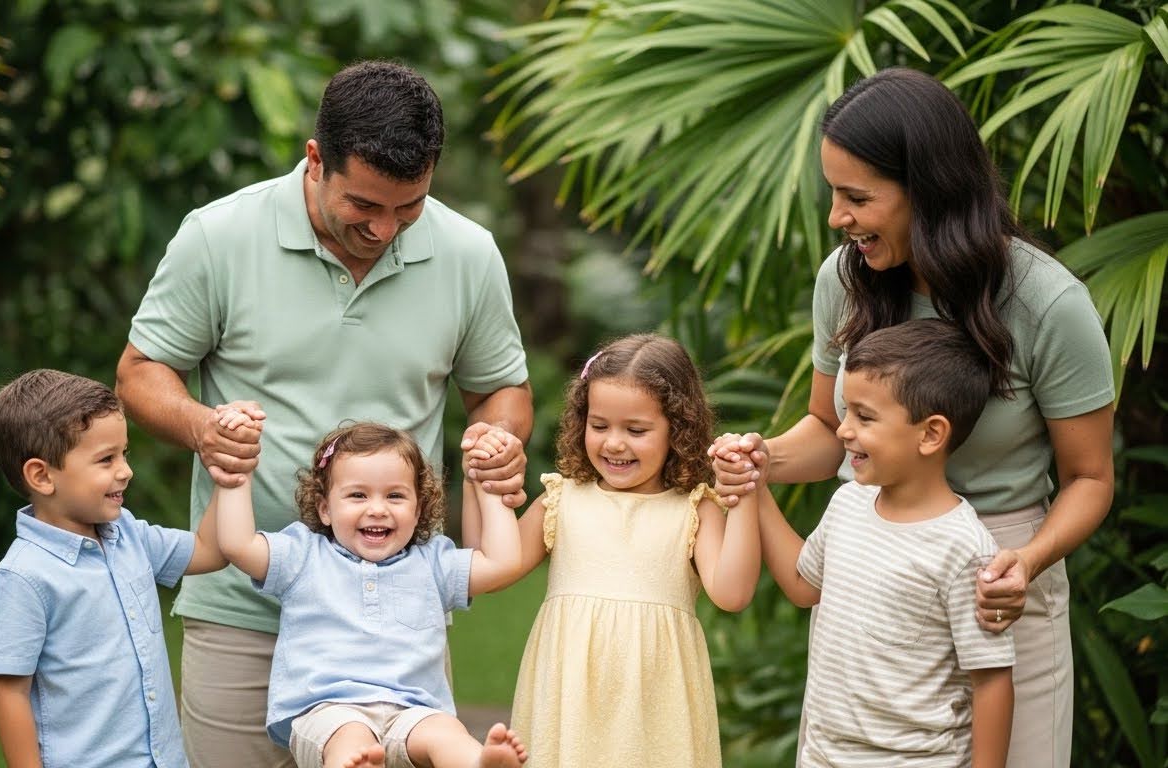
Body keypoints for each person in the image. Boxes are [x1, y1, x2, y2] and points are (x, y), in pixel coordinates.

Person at [116, 60, 533, 767]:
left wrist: (497, 435)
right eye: (365, 206)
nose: (386, 228)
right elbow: (140, 372)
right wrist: (203, 429)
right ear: (316, 160)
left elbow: (501, 388)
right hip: (242, 608)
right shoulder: (217, 236)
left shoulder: (467, 253)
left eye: (409, 207)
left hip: (395, 629)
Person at [711, 67, 1114, 767]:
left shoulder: (1048, 304)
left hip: (998, 583)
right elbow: (822, 428)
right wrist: (758, 459)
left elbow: (1090, 477)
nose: (837, 217)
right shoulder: (845, 279)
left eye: (857, 197)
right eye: (833, 193)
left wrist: (1025, 563)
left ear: (926, 191)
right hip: (873, 584)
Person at [723, 319, 1017, 766]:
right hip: (824, 756)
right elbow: (805, 586)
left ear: (931, 434)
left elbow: (992, 680)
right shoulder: (850, 502)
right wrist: (757, 485)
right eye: (845, 413)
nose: (842, 430)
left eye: (864, 416)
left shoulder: (964, 548)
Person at [467, 333, 759, 767]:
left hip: (654, 714)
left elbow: (732, 594)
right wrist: (481, 479)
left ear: (677, 429)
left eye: (636, 430)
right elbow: (489, 568)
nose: (614, 443)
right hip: (568, 707)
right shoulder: (562, 499)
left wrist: (746, 494)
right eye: (599, 425)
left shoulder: (694, 510)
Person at [213, 417, 529, 768]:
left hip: (414, 711)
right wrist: (234, 471)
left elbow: (502, 562)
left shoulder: (432, 562)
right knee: (350, 737)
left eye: (395, 495)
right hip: (328, 709)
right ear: (325, 509)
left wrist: (490, 487)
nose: (377, 508)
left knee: (446, 733)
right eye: (358, 495)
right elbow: (236, 544)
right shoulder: (302, 556)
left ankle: (479, 763)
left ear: (418, 509)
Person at [0, 369, 230, 768]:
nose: (125, 470)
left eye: (124, 453)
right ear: (42, 475)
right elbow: (10, 694)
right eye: (106, 459)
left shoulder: (127, 534)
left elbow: (210, 550)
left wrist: (229, 475)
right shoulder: (24, 578)